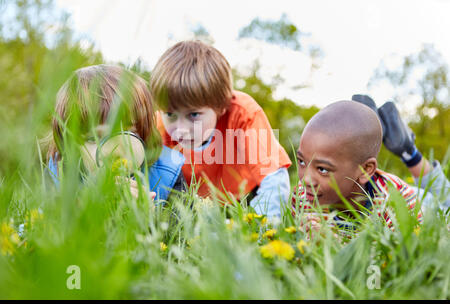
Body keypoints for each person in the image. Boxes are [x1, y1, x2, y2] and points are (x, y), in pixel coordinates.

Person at [150, 40, 292, 222]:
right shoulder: (156, 127)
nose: (181, 130)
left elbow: (273, 177)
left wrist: (259, 229)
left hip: (243, 195)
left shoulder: (244, 113)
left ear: (221, 106)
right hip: (192, 201)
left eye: (193, 115)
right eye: (170, 114)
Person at [291, 99, 448, 236]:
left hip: (422, 203)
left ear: (365, 169)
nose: (306, 180)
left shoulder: (398, 206)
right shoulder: (303, 196)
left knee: (446, 201)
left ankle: (408, 151)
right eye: (302, 162)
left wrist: (336, 245)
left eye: (322, 169)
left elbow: (407, 259)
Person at [46, 64, 186, 202]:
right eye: (94, 138)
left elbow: (181, 223)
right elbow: (44, 222)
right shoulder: (58, 175)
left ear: (145, 131)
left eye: (128, 133)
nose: (115, 150)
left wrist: (147, 220)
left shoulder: (168, 173)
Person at [352, 94, 450, 210]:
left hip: (403, 201)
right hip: (406, 198)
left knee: (445, 202)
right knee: (445, 203)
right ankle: (408, 152)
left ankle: (406, 150)